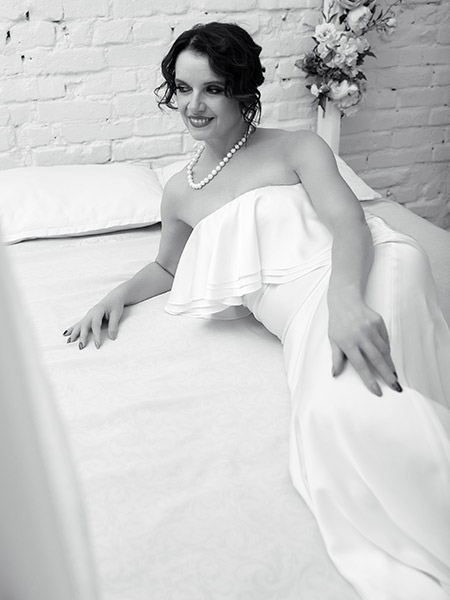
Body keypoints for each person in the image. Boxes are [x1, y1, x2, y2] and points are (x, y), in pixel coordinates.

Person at [64, 22, 450, 600]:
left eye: (212, 89)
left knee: (362, 406)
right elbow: (169, 267)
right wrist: (113, 296)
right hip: (304, 316)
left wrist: (345, 301)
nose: (194, 105)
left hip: (366, 270)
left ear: (242, 90)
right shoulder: (179, 190)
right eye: (183, 88)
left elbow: (349, 222)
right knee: (329, 419)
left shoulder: (297, 147)